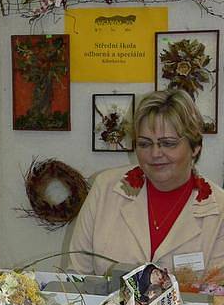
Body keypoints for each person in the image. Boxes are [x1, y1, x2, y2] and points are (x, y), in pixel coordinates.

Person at [69, 89, 224, 275]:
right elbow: (76, 277)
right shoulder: (104, 188)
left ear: (195, 147)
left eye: (168, 143)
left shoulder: (219, 210)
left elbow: (217, 296)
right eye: (144, 144)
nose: (155, 154)